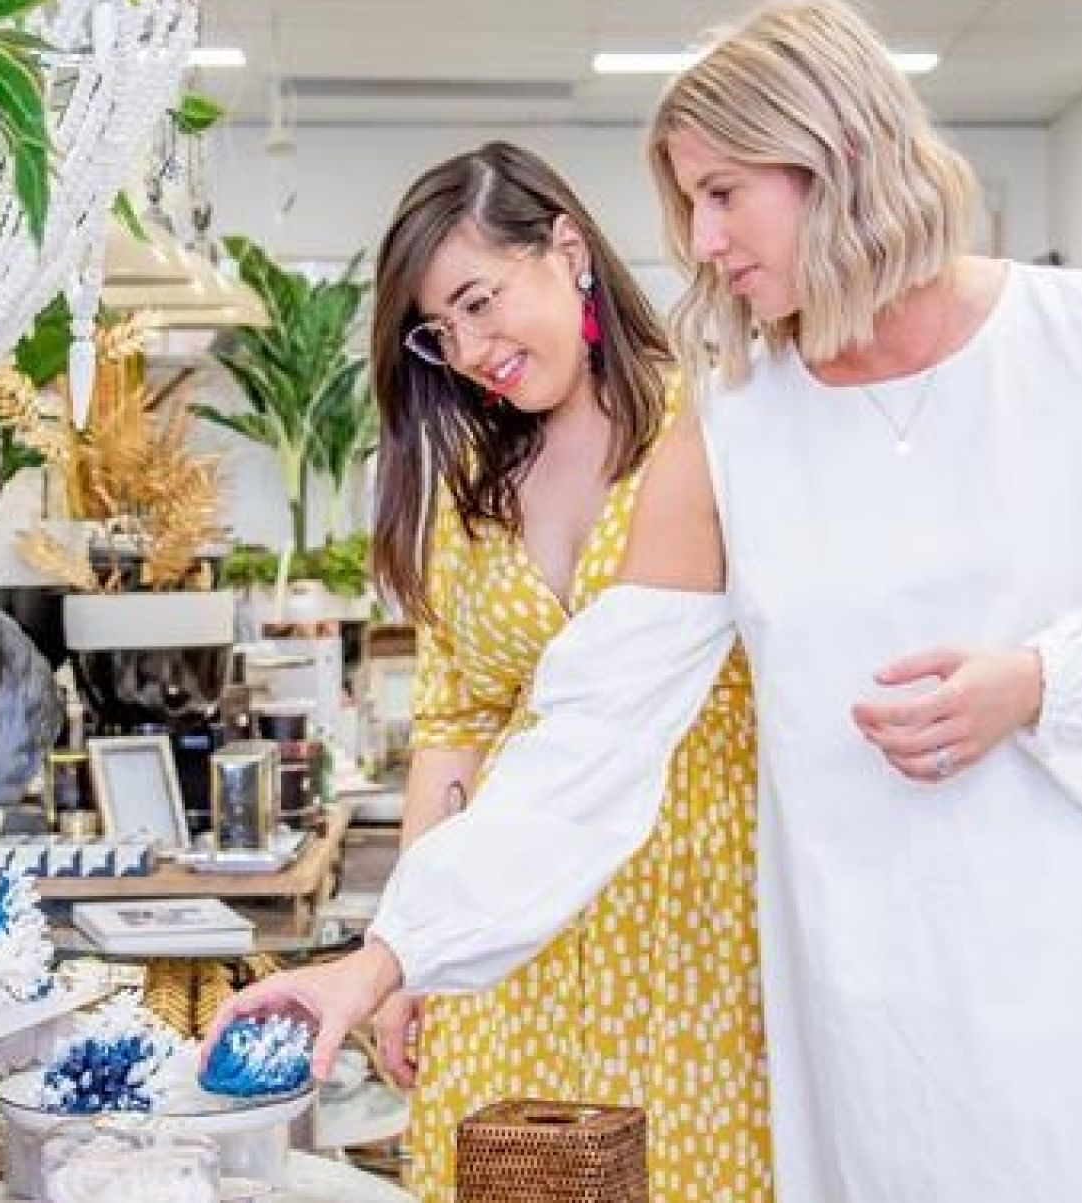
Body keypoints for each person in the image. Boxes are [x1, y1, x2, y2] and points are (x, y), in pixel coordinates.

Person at [215, 6, 1082, 1201]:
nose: (699, 242)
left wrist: (1044, 685)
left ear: (835, 153)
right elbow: (590, 738)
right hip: (878, 1021)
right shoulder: (733, 431)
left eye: (721, 194)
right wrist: (384, 959)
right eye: (686, 204)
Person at [360, 142, 771, 1200]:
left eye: (479, 302)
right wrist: (407, 948)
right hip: (515, 936)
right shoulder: (468, 490)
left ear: (569, 250)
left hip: (704, 915)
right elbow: (452, 726)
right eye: (439, 331)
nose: (469, 350)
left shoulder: (720, 422)